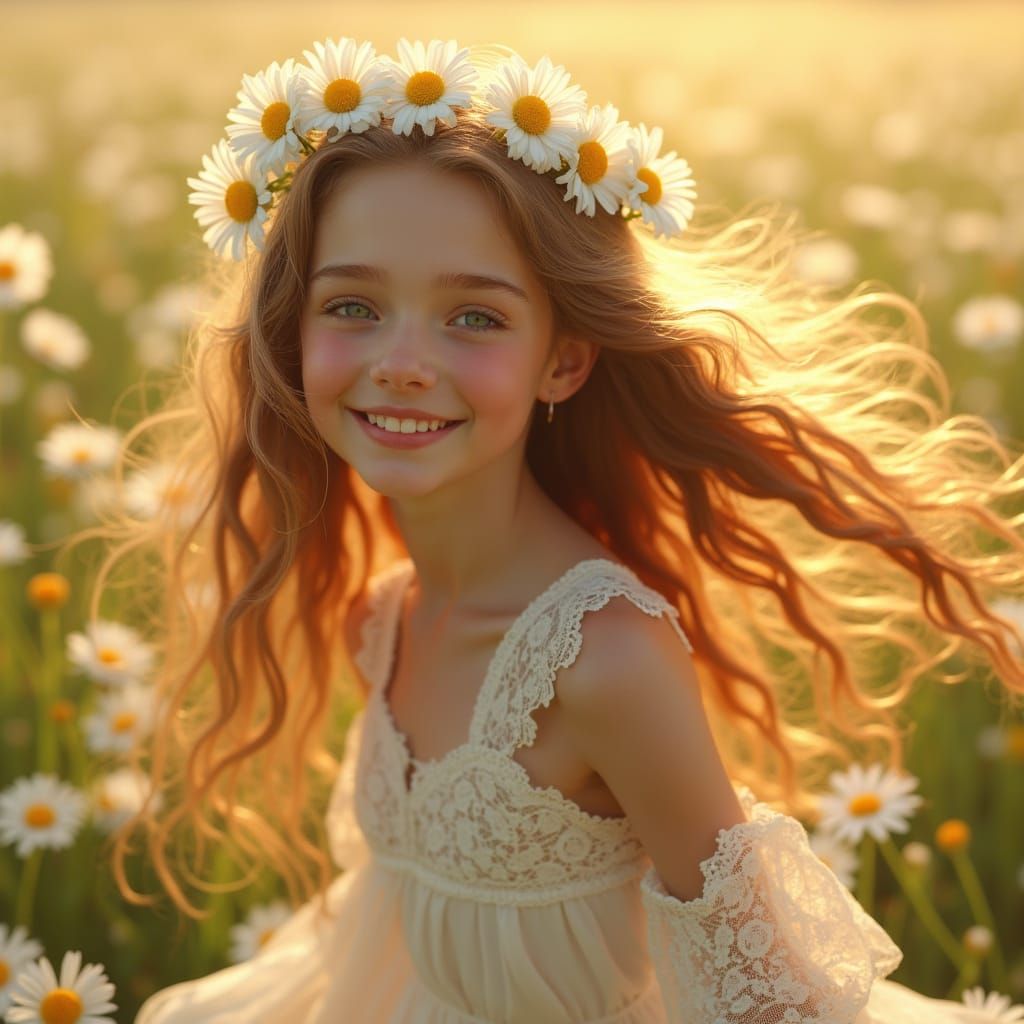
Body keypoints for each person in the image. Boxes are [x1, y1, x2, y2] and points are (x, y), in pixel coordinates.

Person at [87, 35, 1024, 1023]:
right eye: (354, 305)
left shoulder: (603, 660)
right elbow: (401, 927)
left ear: (563, 362)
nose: (402, 361)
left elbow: (769, 998)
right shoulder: (394, 611)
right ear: (292, 331)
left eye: (475, 319)